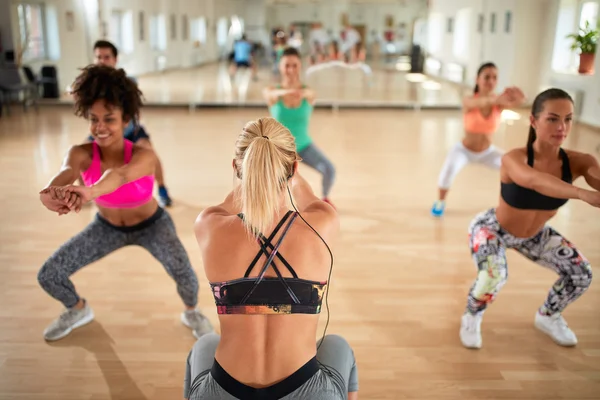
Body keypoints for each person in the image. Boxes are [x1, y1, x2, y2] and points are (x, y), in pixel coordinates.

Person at [183, 117, 358, 400]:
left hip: (226, 389)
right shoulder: (323, 223)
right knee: (338, 346)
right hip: (305, 390)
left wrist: (252, 178)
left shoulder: (208, 226)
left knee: (203, 346)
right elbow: (312, 202)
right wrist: (289, 176)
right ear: (293, 169)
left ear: (237, 168)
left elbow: (223, 206)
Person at [37, 65, 213, 341]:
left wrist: (89, 192)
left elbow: (118, 176)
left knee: (186, 276)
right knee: (49, 274)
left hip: (152, 226)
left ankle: (191, 312)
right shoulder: (81, 152)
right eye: (94, 119)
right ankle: (78, 309)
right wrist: (52, 191)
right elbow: (66, 172)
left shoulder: (143, 155)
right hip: (106, 227)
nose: (100, 127)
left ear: (126, 119)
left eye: (109, 119)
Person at [459, 88, 599, 349]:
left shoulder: (580, 162)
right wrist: (581, 193)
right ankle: (471, 314)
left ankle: (548, 315)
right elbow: (536, 181)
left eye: (568, 119)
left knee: (581, 273)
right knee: (494, 275)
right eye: (553, 118)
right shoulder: (515, 158)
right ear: (534, 121)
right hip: (494, 229)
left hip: (534, 235)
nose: (562, 127)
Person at [431, 62, 525, 217]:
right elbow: (481, 102)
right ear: (477, 79)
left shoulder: (498, 103)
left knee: (514, 167)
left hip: (488, 152)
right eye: (487, 77)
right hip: (464, 150)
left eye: (495, 77)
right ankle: (440, 202)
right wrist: (499, 100)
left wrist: (520, 97)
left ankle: (515, 204)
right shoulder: (469, 100)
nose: (491, 81)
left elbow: (518, 102)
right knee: (448, 171)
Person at [88, 40, 173, 207]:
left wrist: (121, 129)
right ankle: (84, 192)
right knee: (80, 153)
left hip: (130, 131)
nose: (102, 61)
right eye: (99, 57)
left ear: (115, 59)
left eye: (106, 57)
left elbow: (135, 112)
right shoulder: (90, 85)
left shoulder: (128, 82)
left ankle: (162, 189)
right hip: (103, 132)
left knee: (150, 153)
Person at [263, 47, 337, 208]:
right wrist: (287, 91)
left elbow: (310, 94)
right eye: (286, 65)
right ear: (280, 67)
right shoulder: (272, 91)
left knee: (329, 170)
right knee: (276, 185)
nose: (290, 70)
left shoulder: (307, 91)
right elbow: (270, 95)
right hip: (280, 149)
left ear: (300, 66)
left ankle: (325, 199)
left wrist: (298, 92)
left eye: (294, 65)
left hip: (303, 145)